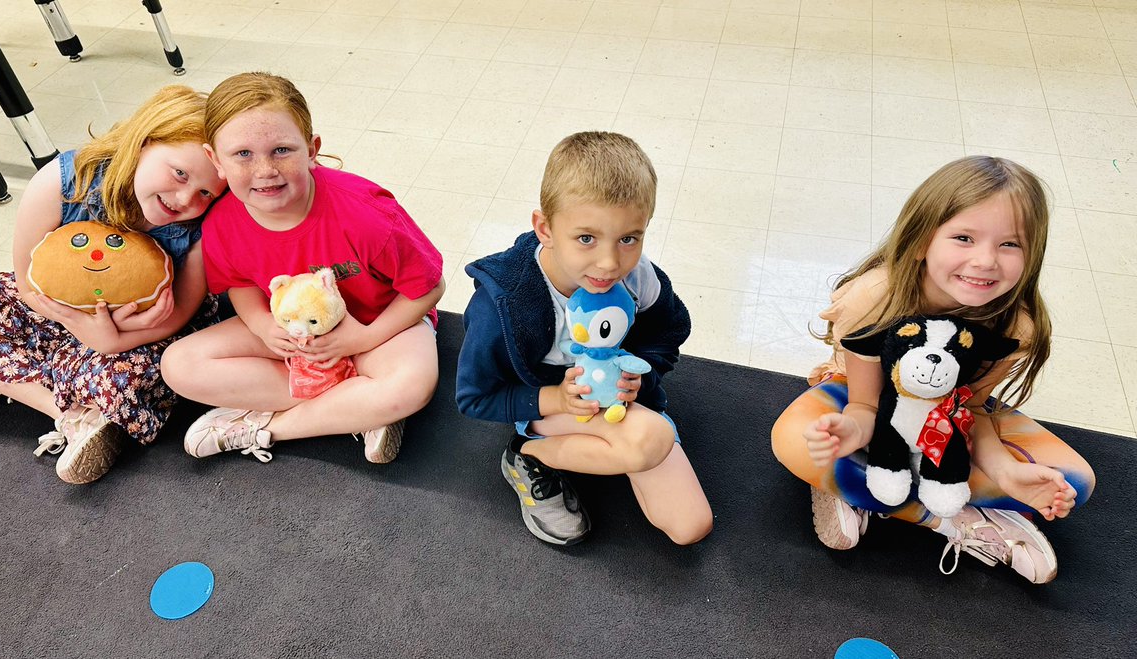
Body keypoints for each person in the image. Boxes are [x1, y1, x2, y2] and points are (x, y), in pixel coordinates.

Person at [771, 156, 1095, 584]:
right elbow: (865, 403)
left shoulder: (1016, 327)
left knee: (1076, 480)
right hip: (860, 399)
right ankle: (948, 516)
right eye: (964, 237)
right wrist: (850, 432)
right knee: (792, 442)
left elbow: (970, 411)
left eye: (1010, 244)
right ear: (922, 239)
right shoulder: (872, 298)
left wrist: (1006, 472)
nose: (985, 261)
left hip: (946, 422)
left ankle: (856, 488)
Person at [0, 85, 226, 484]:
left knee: (143, 371)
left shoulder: (199, 228)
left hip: (143, 332)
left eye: (205, 192)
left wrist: (116, 338)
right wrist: (86, 329)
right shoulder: (63, 180)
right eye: (179, 173)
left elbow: (177, 314)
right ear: (142, 141)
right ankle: (70, 415)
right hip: (54, 309)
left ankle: (5, 374)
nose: (184, 198)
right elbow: (27, 282)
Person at [161, 72, 444, 465]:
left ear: (312, 150)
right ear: (215, 160)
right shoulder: (222, 223)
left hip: (379, 325)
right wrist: (263, 326)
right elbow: (241, 284)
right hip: (293, 335)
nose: (264, 170)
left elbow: (428, 287)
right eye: (242, 154)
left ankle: (266, 428)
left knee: (410, 385)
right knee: (179, 365)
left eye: (281, 150)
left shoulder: (366, 213)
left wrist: (361, 340)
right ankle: (359, 407)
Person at [455, 131, 712, 546]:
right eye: (586, 238)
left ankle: (616, 445)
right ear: (545, 228)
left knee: (690, 527)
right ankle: (529, 455)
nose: (610, 263)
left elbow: (669, 331)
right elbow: (474, 397)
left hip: (620, 403)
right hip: (546, 404)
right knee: (652, 440)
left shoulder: (638, 276)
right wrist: (556, 398)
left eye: (628, 238)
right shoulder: (503, 302)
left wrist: (640, 380)